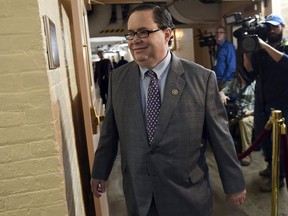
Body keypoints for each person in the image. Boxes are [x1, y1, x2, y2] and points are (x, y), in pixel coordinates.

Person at [91, 4, 246, 216]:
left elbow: (221, 137)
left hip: (187, 194)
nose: (135, 39)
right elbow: (109, 133)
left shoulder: (201, 79)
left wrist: (233, 183)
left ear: (167, 34)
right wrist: (100, 172)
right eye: (131, 34)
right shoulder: (118, 79)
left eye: (144, 32)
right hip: (140, 193)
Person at [243, 14, 288, 192]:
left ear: (283, 26)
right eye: (269, 27)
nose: (271, 30)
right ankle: (270, 167)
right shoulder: (261, 50)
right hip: (262, 102)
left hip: (283, 104)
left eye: (275, 26)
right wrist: (247, 51)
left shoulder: (284, 47)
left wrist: (264, 46)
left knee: (281, 143)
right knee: (266, 142)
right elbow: (251, 72)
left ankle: (280, 178)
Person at [219, 69, 255, 166]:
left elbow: (262, 104)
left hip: (250, 113)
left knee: (244, 122)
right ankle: (226, 150)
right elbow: (222, 91)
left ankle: (246, 153)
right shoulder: (235, 82)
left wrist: (250, 111)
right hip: (237, 111)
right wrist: (222, 96)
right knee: (222, 120)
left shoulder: (254, 84)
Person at [213, 26, 237, 90]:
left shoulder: (229, 47)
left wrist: (224, 79)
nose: (218, 34)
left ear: (225, 35)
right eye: (217, 32)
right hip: (217, 80)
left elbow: (232, 66)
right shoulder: (218, 47)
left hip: (226, 81)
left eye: (221, 32)